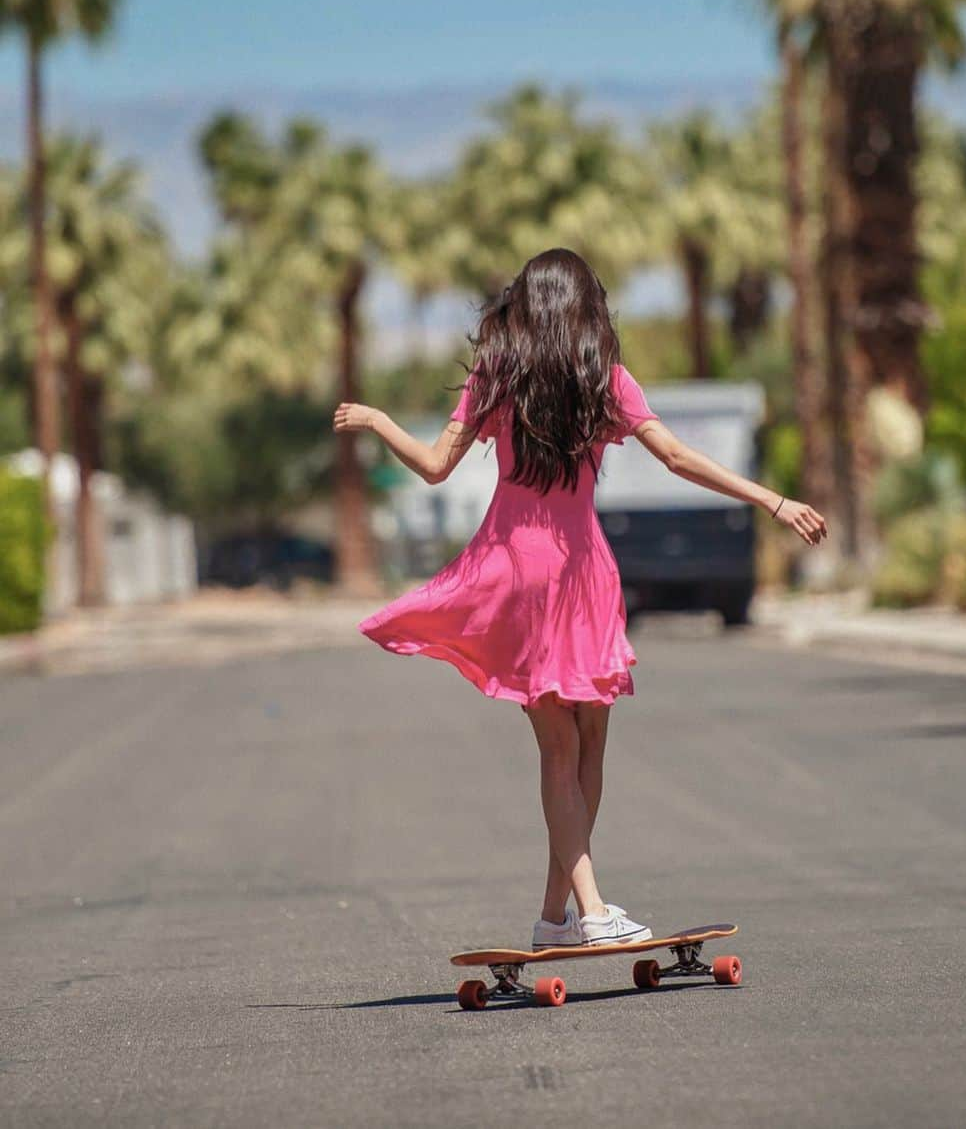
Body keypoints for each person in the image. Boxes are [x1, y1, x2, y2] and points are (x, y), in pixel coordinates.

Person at [333, 247, 827, 949]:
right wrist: (771, 500)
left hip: (520, 572)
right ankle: (594, 913)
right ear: (588, 307)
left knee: (563, 748)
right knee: (582, 746)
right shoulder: (608, 382)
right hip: (582, 574)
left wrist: (381, 423)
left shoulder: (497, 376)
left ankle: (554, 918)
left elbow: (436, 468)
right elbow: (679, 458)